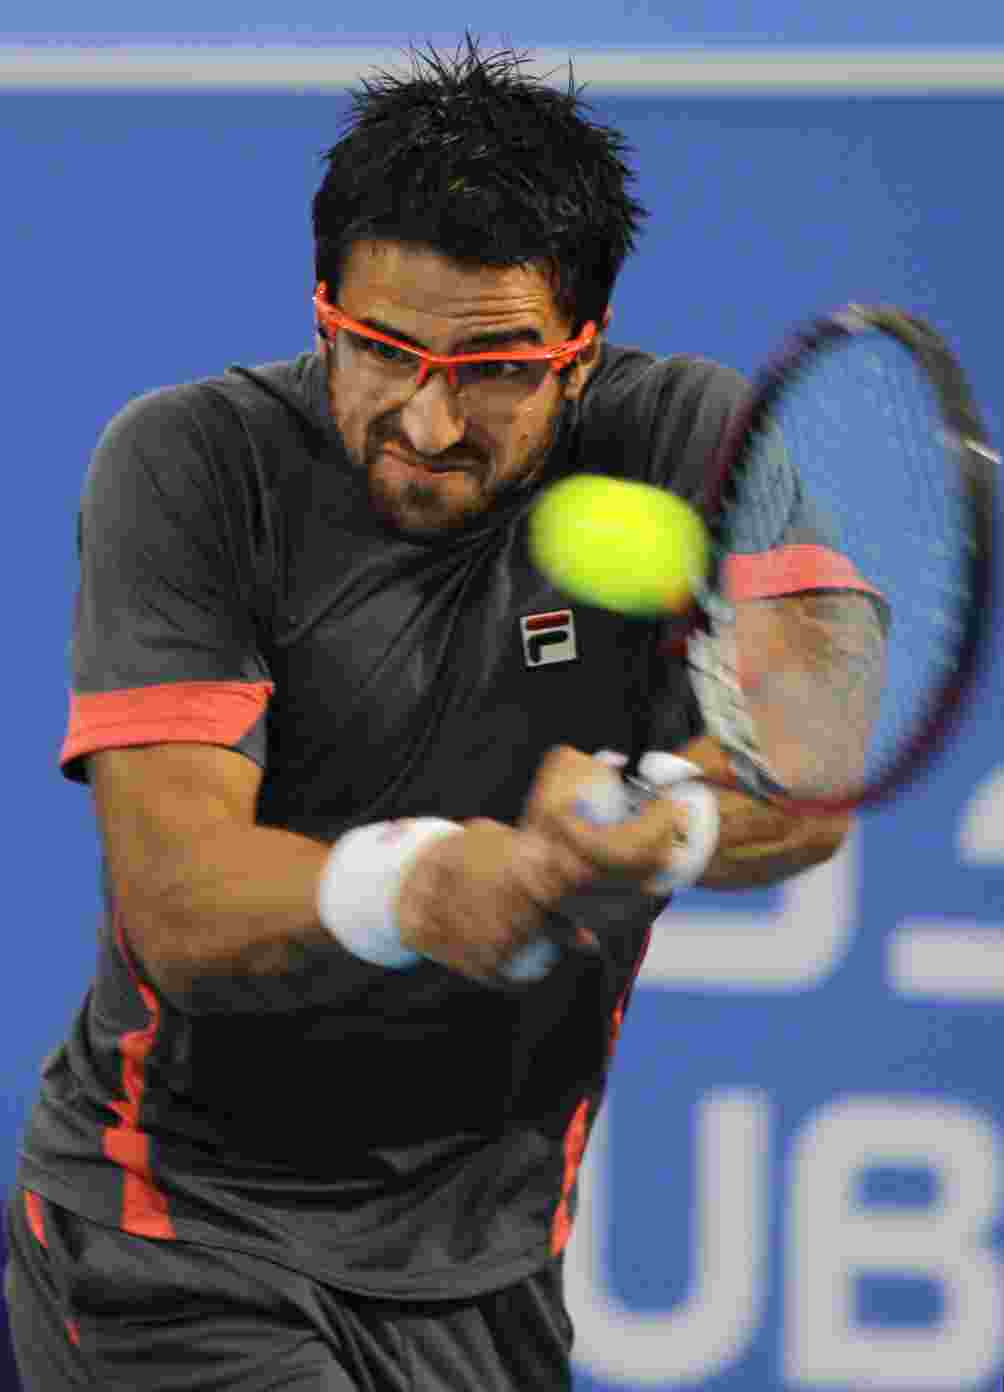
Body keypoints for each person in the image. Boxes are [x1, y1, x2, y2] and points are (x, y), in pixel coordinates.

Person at [3, 37, 852, 1392]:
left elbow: (815, 750)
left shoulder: (690, 436)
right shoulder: (191, 464)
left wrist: (667, 821)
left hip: (491, 1273)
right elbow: (174, 886)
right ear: (322, 305)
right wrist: (419, 884)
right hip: (176, 1245)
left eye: (496, 368)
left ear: (583, 355)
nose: (428, 418)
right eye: (380, 351)